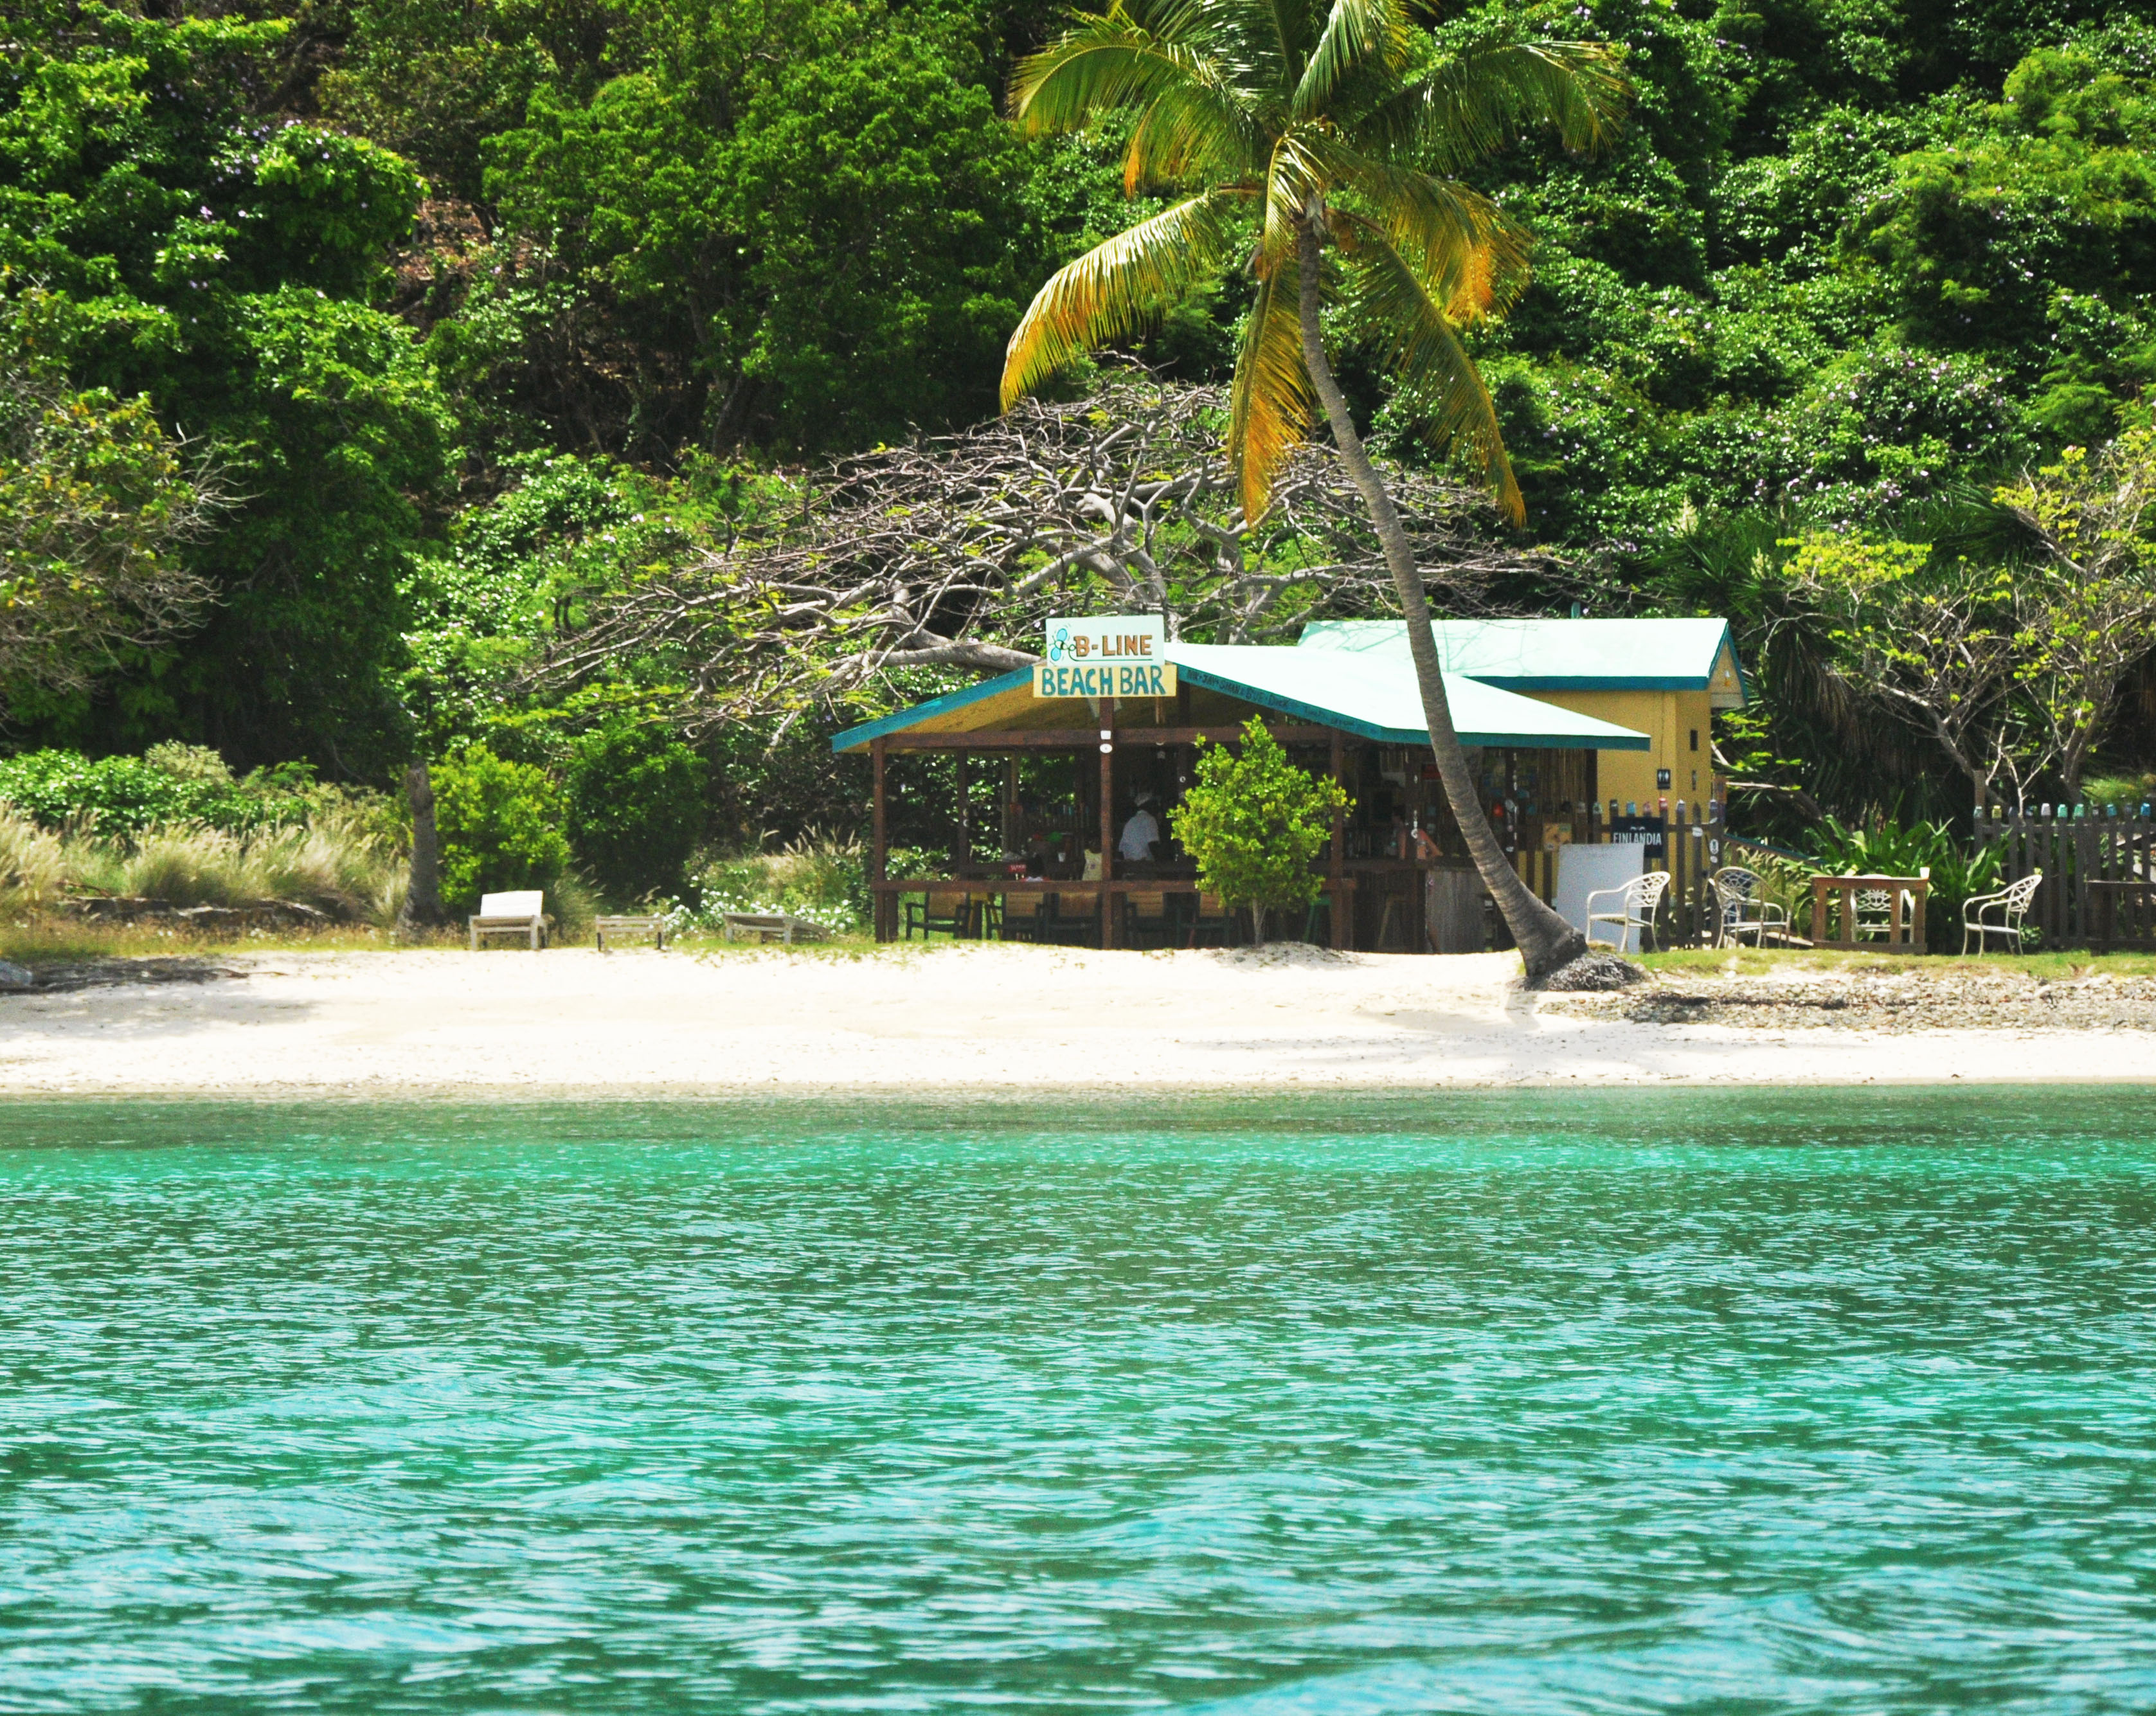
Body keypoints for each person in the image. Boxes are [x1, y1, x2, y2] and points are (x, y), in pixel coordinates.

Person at [1118, 792, 1161, 863]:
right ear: (1147, 804)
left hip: (1130, 865)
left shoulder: (1131, 821)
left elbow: (1121, 850)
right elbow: (1153, 845)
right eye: (1154, 803)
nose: (1157, 806)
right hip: (1144, 865)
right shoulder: (1149, 819)